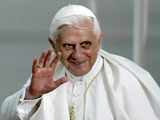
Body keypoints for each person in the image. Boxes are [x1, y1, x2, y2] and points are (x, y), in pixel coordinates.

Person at [1, 4, 160, 120]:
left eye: (86, 44)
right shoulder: (45, 78)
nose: (78, 55)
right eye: (68, 46)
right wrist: (32, 95)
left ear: (99, 41)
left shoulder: (126, 80)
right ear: (53, 44)